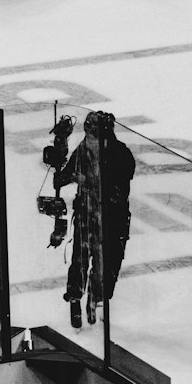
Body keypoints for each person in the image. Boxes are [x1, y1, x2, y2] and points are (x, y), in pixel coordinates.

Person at [53, 112, 134, 329]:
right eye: (87, 132)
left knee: (107, 264)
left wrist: (85, 180)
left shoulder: (121, 154)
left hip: (112, 221)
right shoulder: (82, 150)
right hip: (86, 216)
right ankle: (75, 297)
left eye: (93, 133)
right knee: (80, 258)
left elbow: (118, 191)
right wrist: (58, 163)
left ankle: (97, 298)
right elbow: (62, 178)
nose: (89, 137)